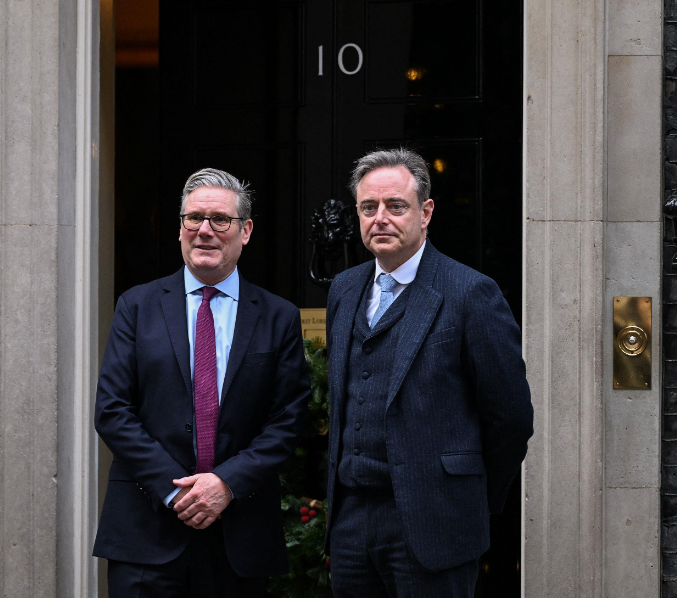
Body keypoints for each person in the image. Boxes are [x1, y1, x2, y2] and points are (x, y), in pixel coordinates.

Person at [325, 148, 534, 597]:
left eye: (395, 206)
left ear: (426, 213)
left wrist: (466, 497)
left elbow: (511, 417)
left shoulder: (470, 293)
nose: (380, 218)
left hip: (436, 522)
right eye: (368, 207)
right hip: (351, 524)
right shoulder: (343, 289)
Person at [93, 168, 311, 597]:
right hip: (146, 531)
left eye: (220, 219)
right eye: (193, 218)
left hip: (239, 536)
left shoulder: (278, 316)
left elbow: (288, 419)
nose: (204, 230)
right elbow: (113, 410)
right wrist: (176, 491)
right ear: (180, 228)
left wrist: (226, 483)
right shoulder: (136, 306)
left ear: (245, 231)